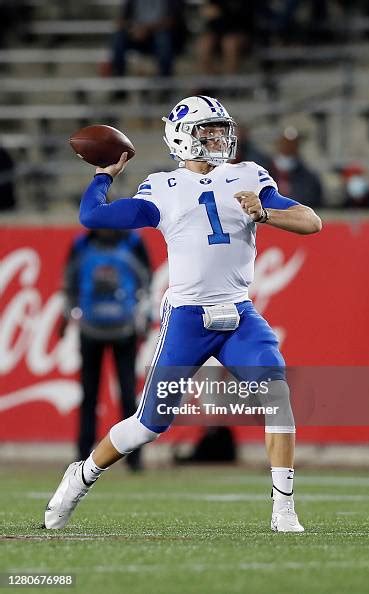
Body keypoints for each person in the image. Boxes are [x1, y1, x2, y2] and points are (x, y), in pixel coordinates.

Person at [44, 95, 322, 533]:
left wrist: (265, 213)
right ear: (181, 137)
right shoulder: (162, 187)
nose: (217, 137)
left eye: (219, 129)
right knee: (148, 424)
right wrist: (104, 175)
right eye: (206, 130)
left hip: (238, 314)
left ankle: (284, 511)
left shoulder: (248, 175)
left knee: (276, 395)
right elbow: (92, 215)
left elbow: (311, 222)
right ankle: (80, 476)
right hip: (189, 317)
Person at [60, 228, 152, 471]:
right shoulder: (126, 242)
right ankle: (87, 454)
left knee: (124, 394)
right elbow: (146, 280)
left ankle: (131, 456)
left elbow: (69, 282)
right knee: (93, 395)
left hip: (115, 329)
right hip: (103, 328)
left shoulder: (123, 242)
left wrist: (67, 315)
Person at [109, 0, 185, 79]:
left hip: (161, 34)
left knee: (163, 39)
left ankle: (165, 80)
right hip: (136, 33)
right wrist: (132, 28)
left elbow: (174, 20)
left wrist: (147, 29)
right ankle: (118, 80)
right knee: (119, 37)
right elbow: (121, 20)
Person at [261, 127, 324, 208]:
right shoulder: (263, 173)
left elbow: (313, 202)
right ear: (277, 144)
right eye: (284, 143)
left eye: (292, 144)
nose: (287, 147)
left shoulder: (309, 178)